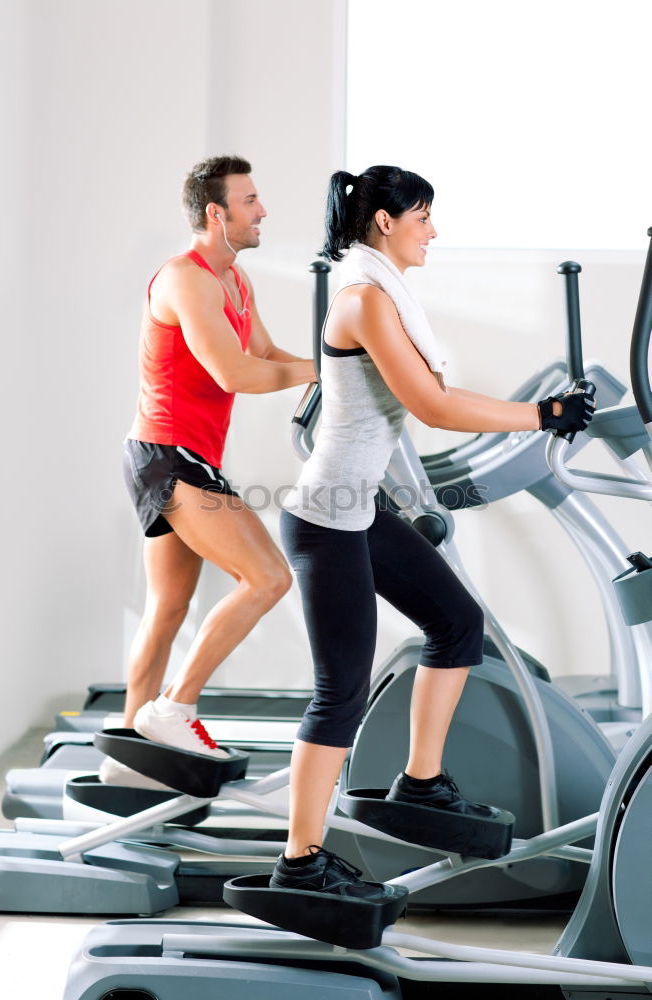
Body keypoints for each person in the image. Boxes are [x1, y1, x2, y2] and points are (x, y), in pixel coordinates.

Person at [270, 164, 595, 897]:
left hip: (361, 512)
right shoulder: (362, 300)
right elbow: (434, 405)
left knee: (458, 623)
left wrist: (542, 412)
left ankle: (419, 783)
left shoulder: (382, 293)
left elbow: (436, 395)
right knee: (340, 694)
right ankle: (298, 862)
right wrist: (542, 416)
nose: (434, 232)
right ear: (384, 222)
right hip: (326, 521)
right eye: (423, 218)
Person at [100, 155, 316, 785]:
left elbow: (268, 353)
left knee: (166, 609)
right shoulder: (185, 279)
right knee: (269, 577)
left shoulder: (235, 281)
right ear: (215, 213)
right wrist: (322, 374)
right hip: (169, 457)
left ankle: (128, 759)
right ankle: (175, 707)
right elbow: (236, 374)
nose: (263, 210)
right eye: (250, 201)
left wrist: (342, 367)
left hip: (178, 456)